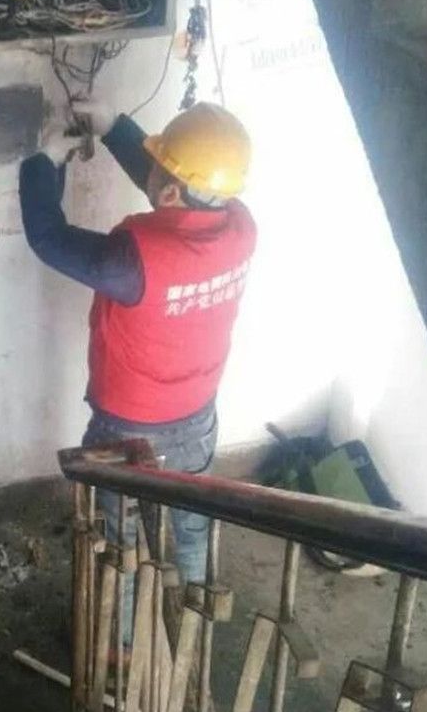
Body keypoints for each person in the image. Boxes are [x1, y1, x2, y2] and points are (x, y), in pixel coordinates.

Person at [19, 98, 256, 649]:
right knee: (191, 524)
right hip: (197, 416)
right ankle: (193, 623)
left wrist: (43, 163)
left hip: (127, 426)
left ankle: (123, 645)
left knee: (121, 539)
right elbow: (172, 192)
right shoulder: (241, 226)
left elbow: (48, 238)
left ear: (169, 190)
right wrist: (115, 128)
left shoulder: (133, 259)